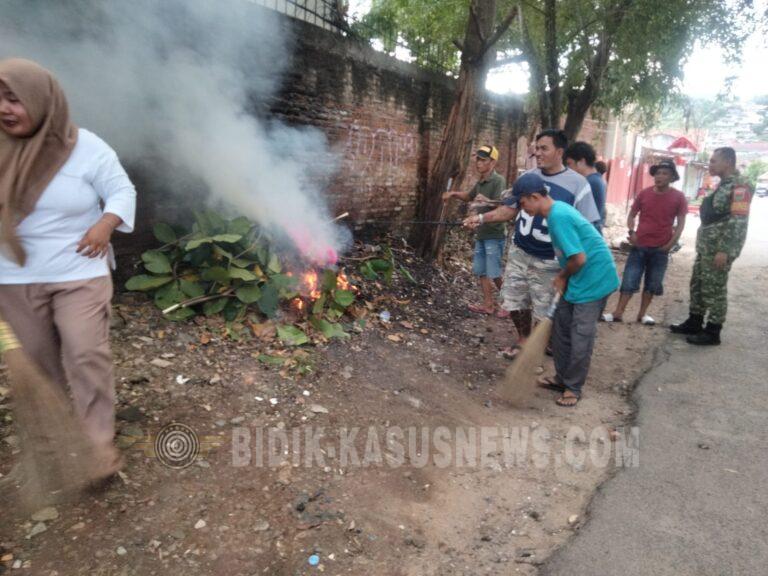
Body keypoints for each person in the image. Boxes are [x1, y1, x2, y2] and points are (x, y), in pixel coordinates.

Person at [0, 58, 136, 481]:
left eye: (13, 98)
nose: (4, 108)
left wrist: (104, 224)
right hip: (13, 277)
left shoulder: (86, 147)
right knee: (38, 364)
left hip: (80, 270)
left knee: (85, 352)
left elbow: (120, 189)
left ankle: (98, 446)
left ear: (42, 100)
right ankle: (59, 440)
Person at [464, 129, 601, 359]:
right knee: (514, 300)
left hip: (550, 260)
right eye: (536, 148)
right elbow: (509, 209)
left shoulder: (578, 185)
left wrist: (576, 266)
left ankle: (538, 348)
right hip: (520, 251)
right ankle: (523, 339)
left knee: (544, 308)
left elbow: (589, 226)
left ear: (559, 151)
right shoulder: (529, 177)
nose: (538, 153)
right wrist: (479, 218)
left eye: (544, 149)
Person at [510, 173, 619, 406]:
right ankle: (562, 378)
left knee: (580, 335)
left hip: (595, 279)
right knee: (560, 331)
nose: (522, 208)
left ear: (536, 197)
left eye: (523, 203)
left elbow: (579, 258)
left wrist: (561, 276)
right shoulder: (553, 212)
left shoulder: (558, 215)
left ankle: (573, 387)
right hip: (579, 278)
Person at [670, 147, 751, 345]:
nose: (710, 164)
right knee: (698, 284)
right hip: (707, 247)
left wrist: (725, 250)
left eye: (714, 161)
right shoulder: (723, 184)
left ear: (728, 163)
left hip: (719, 248)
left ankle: (713, 331)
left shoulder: (740, 186)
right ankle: (694, 321)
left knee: (714, 289)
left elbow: (738, 221)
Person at [602, 160, 687, 325]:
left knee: (653, 283)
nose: (659, 176)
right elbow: (631, 215)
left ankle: (642, 314)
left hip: (661, 249)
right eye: (657, 173)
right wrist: (631, 233)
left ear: (672, 177)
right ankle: (618, 313)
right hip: (639, 246)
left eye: (665, 173)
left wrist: (669, 245)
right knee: (629, 280)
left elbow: (681, 223)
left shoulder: (678, 197)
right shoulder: (644, 194)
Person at [443, 145, 507, 315]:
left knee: (494, 273)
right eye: (477, 159)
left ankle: (509, 304)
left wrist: (487, 201)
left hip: (494, 233)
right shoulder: (480, 181)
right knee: (482, 271)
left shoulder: (498, 181)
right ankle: (488, 305)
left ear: (492, 162)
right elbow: (469, 196)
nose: (478, 163)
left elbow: (503, 206)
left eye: (483, 160)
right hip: (482, 233)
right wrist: (453, 194)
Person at [565, 141, 606, 233]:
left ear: (581, 162)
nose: (568, 168)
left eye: (569, 164)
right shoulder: (596, 180)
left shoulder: (590, 183)